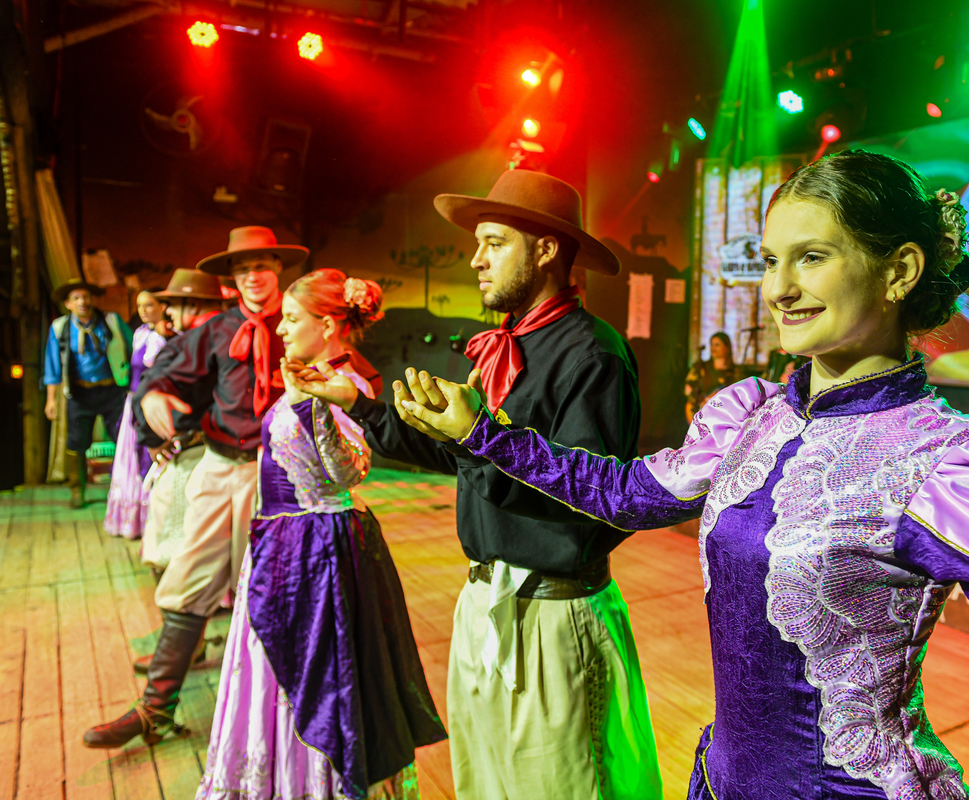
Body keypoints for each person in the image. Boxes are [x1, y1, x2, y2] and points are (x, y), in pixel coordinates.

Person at [396, 151, 969, 799]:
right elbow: (626, 495)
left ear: (899, 271)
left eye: (812, 258)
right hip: (721, 779)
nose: (778, 288)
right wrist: (485, 434)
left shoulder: (951, 465)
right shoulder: (748, 416)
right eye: (771, 259)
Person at [287, 170, 661, 800]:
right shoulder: (501, 348)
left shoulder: (591, 356)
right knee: (485, 784)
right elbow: (459, 459)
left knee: (564, 786)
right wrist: (361, 403)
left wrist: (479, 438)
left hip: (551, 612)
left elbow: (589, 506)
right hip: (484, 603)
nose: (475, 258)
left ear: (545, 249)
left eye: (494, 242)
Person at [197, 269, 446, 799]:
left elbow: (350, 472)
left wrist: (316, 408)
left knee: (317, 674)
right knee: (277, 670)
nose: (282, 328)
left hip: (317, 550)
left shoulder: (346, 384)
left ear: (328, 324)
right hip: (283, 545)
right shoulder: (310, 374)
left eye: (292, 318)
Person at [83, 226, 304, 749]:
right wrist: (153, 399)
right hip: (221, 467)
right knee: (185, 583)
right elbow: (162, 375)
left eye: (262, 265)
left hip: (282, 478)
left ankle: (291, 724)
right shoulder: (218, 329)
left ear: (278, 268)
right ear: (231, 277)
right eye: (242, 268)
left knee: (279, 595)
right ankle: (155, 710)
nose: (253, 276)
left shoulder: (300, 324)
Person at [139, 269, 228, 578]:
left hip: (192, 451)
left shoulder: (189, 343)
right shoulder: (234, 334)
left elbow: (152, 391)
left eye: (173, 305)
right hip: (218, 449)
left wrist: (152, 437)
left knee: (177, 532)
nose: (167, 312)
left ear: (193, 305)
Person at [43, 279, 134, 508]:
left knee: (123, 438)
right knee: (76, 443)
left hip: (112, 390)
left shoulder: (110, 321)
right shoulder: (60, 328)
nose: (82, 302)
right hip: (80, 392)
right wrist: (51, 400)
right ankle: (77, 490)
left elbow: (133, 348)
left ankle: (125, 487)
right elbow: (52, 366)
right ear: (68, 304)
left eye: (86, 297)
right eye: (76, 298)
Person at [104, 288, 170, 538]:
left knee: (149, 458)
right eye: (140, 306)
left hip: (152, 402)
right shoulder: (140, 334)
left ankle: (153, 520)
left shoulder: (167, 336)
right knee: (130, 459)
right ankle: (132, 521)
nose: (144, 311)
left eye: (150, 305)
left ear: (162, 306)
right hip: (134, 400)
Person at [684, 331, 738, 422]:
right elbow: (688, 388)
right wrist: (701, 401)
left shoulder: (733, 372)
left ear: (727, 348)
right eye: (711, 345)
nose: (713, 348)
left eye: (717, 345)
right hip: (700, 413)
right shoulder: (701, 367)